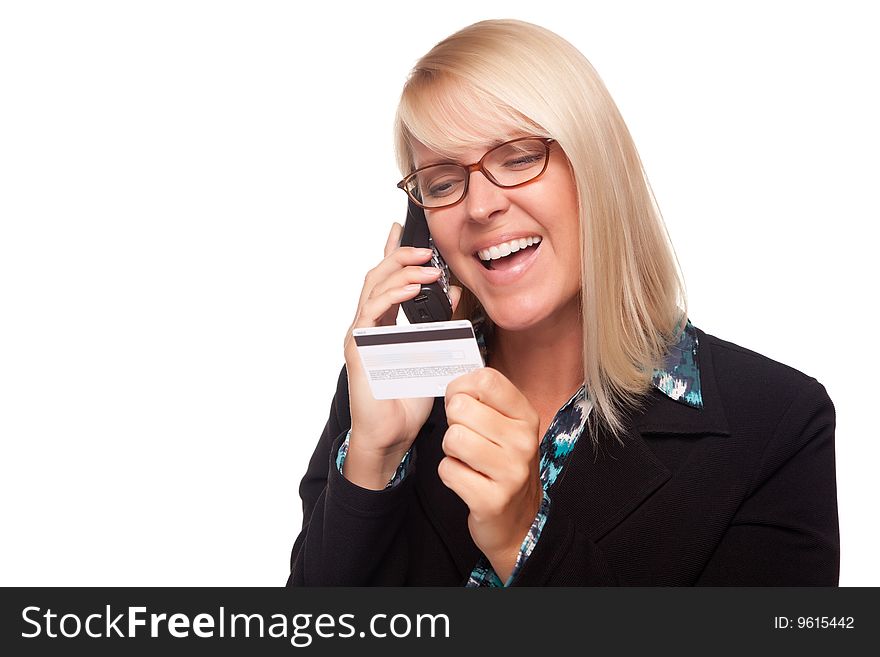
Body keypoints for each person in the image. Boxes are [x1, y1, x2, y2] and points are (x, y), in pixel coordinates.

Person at [286, 19, 839, 586]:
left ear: (594, 170)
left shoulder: (776, 423)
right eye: (443, 180)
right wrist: (374, 460)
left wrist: (523, 536)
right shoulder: (394, 388)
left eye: (519, 157)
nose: (479, 207)